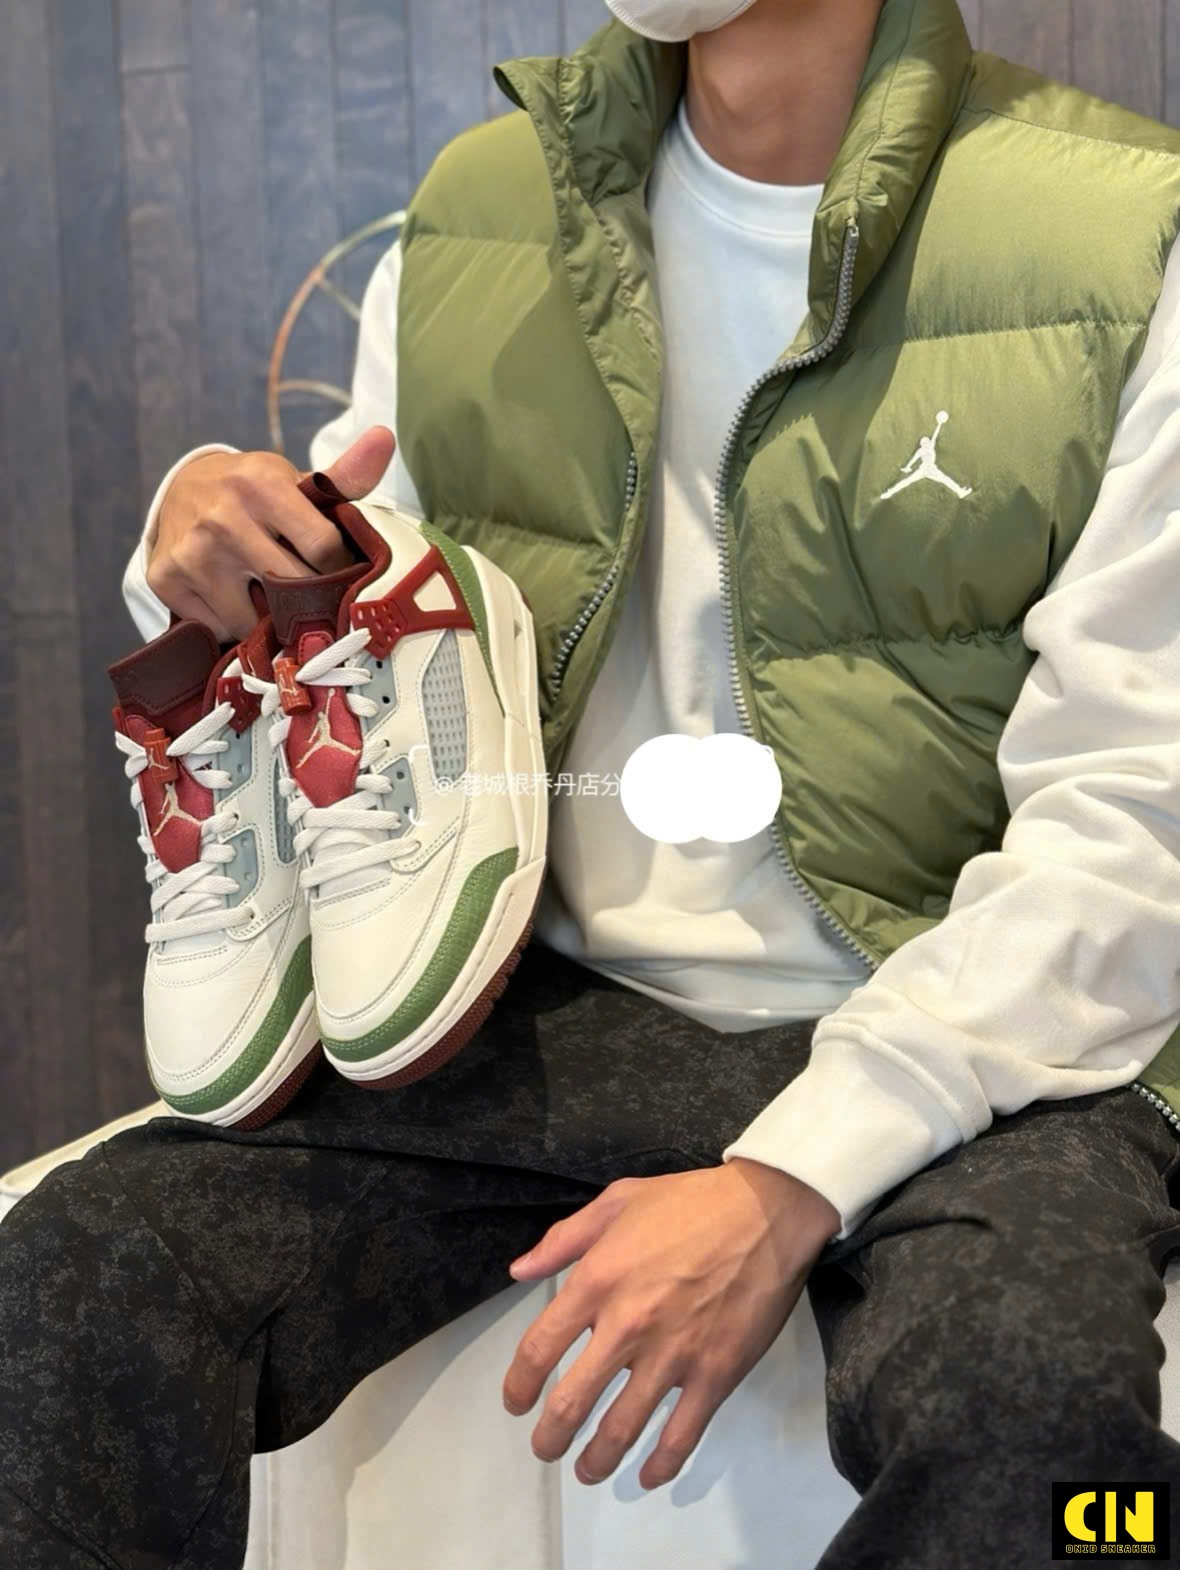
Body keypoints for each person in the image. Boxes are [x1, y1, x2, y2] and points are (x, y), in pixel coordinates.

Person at [6, 0, 1180, 1563]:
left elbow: (1136, 823)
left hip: (968, 1020)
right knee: (68, 1280)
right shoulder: (477, 214)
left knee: (1058, 1462)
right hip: (551, 1013)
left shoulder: (1120, 232)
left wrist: (788, 1177)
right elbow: (363, 637)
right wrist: (214, 557)